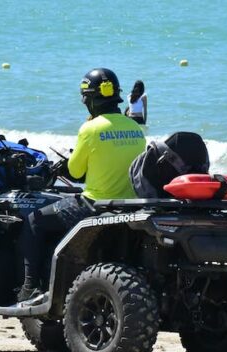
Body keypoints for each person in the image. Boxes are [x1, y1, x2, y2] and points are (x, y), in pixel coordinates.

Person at [16, 68, 146, 302]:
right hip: (129, 205)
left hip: (94, 204)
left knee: (34, 220)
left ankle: (29, 287)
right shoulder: (135, 128)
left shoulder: (90, 129)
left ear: (91, 99)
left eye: (85, 99)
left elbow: (75, 172)